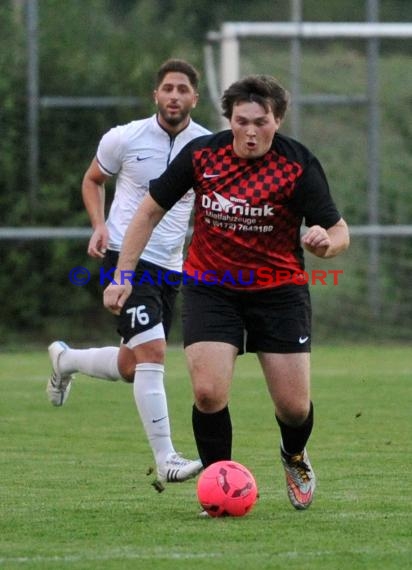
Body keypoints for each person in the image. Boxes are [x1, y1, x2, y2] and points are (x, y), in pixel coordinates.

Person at [103, 74, 350, 510]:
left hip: (279, 291)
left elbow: (338, 229)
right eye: (242, 121)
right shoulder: (203, 155)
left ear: (277, 121)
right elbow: (148, 211)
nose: (251, 131)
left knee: (294, 408)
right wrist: (123, 275)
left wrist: (327, 244)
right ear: (229, 119)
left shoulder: (297, 164)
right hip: (211, 287)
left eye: (261, 122)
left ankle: (294, 454)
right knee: (208, 393)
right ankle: (220, 482)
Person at [46, 59, 211, 492]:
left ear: (195, 97)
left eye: (182, 89)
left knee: (132, 365)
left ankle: (65, 360)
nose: (174, 96)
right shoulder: (125, 137)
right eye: (167, 88)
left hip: (171, 267)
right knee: (153, 352)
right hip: (124, 258)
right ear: (155, 95)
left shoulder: (209, 145)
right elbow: (92, 179)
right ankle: (166, 460)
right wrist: (99, 224)